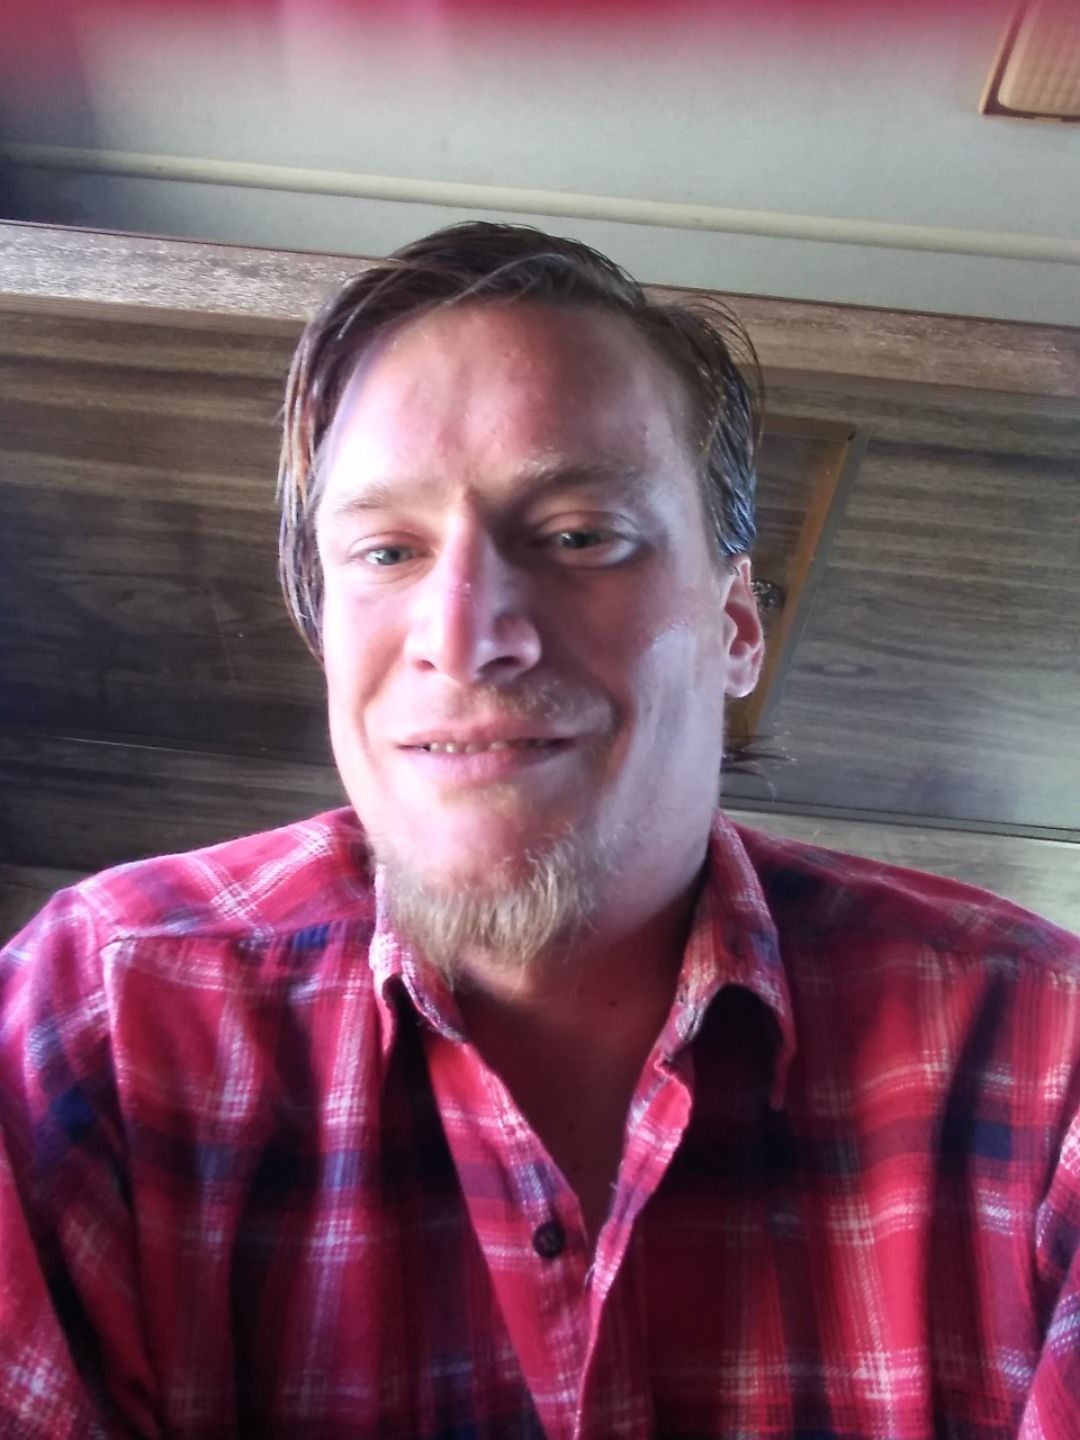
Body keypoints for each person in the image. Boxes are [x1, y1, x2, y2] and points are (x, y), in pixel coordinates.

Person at [1, 222, 1078, 1440]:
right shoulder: (92, 1021)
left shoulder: (1048, 1061)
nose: (466, 637)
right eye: (386, 551)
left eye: (578, 536)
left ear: (736, 628)